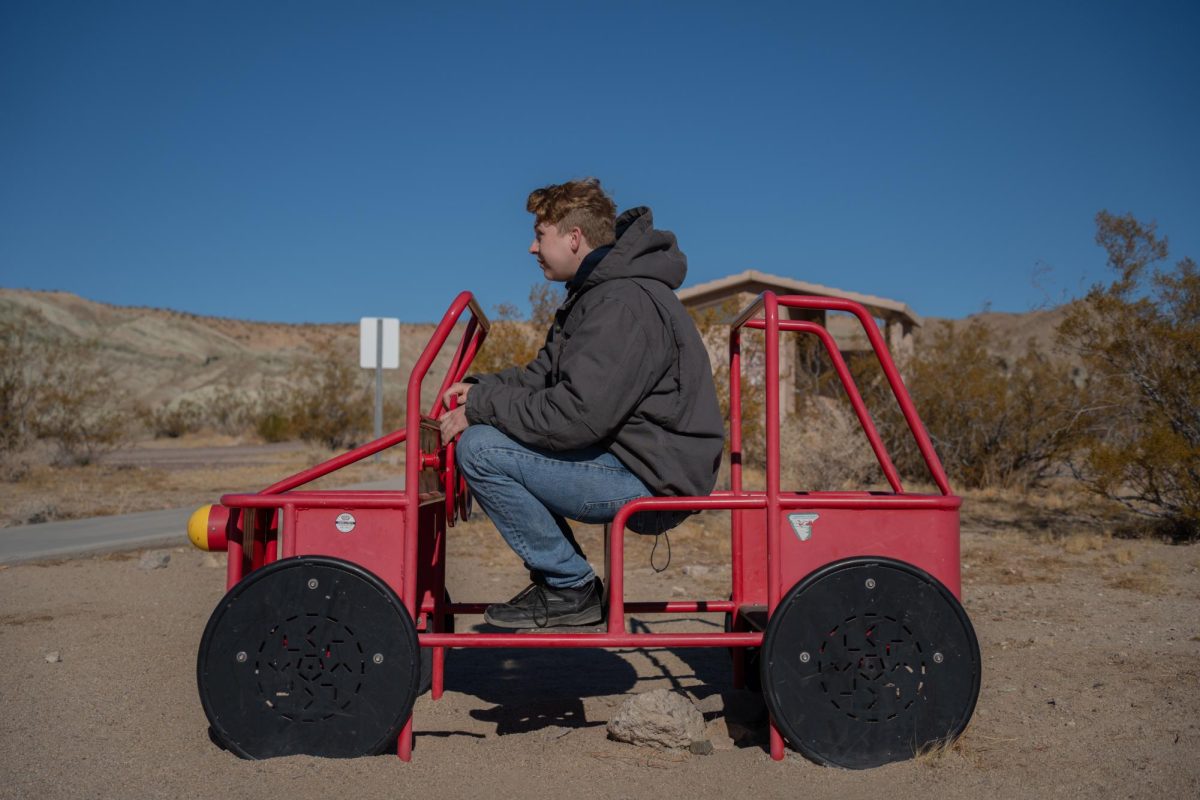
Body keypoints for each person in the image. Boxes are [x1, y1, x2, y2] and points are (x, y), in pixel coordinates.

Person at [437, 178, 723, 629]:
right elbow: (541, 378)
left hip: (654, 477)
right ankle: (567, 583)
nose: (532, 248)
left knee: (482, 449)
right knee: (488, 433)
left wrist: (482, 408)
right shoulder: (595, 296)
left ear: (574, 238)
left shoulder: (622, 303)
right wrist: (478, 387)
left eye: (540, 235)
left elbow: (574, 417)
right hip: (634, 459)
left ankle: (569, 587)